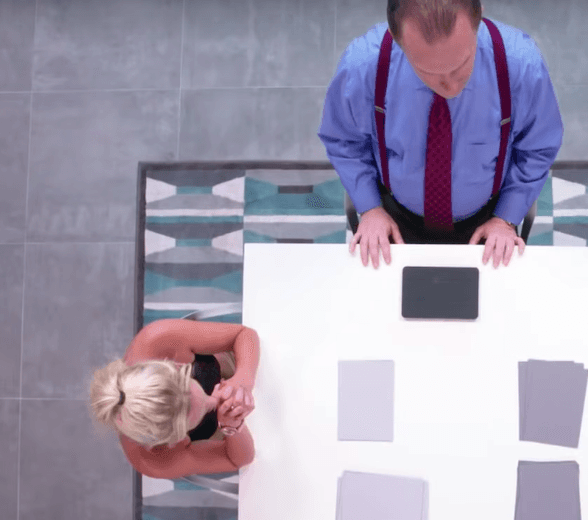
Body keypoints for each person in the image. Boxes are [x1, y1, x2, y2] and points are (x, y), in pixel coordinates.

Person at [318, 0, 562, 269]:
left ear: (478, 18)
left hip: (490, 217)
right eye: (428, 72)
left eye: (461, 65)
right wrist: (370, 208)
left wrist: (505, 218)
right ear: (397, 38)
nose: (450, 86)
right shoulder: (363, 65)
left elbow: (537, 148)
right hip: (392, 214)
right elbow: (344, 140)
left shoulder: (521, 64)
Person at [89, 319, 260, 479]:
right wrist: (232, 426)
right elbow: (236, 460)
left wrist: (242, 380)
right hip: (235, 436)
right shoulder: (151, 461)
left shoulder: (155, 339)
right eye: (204, 411)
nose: (215, 400)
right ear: (172, 441)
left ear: (177, 366)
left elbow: (243, 335)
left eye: (191, 390)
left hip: (243, 366)